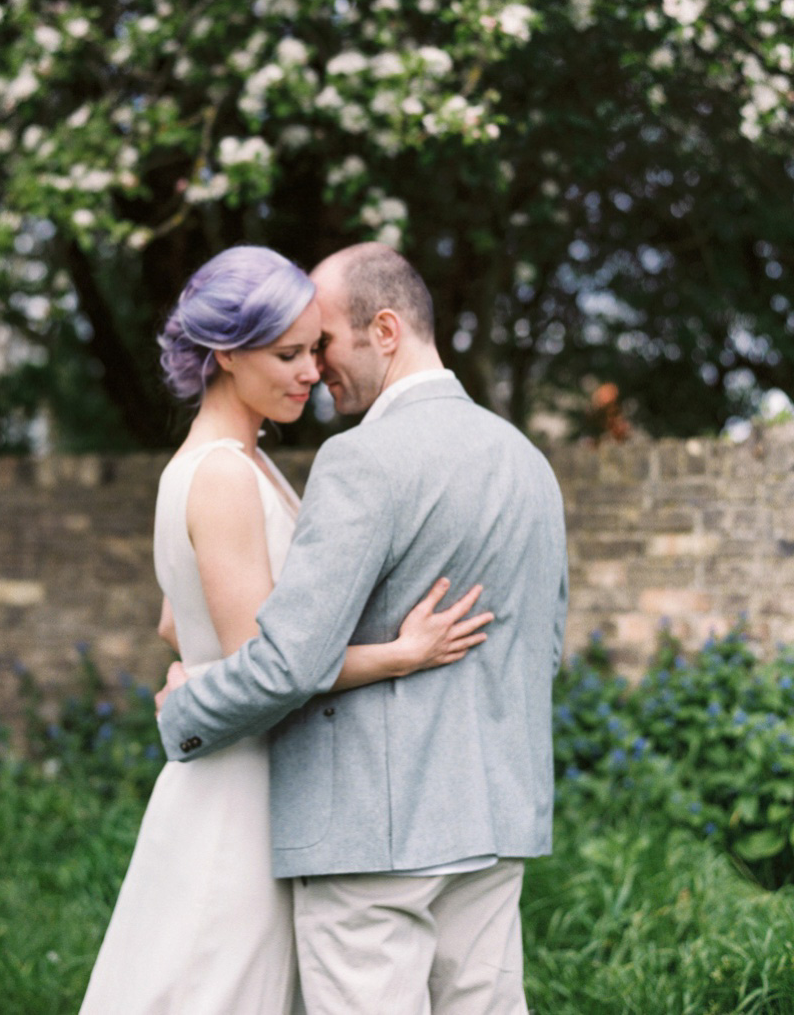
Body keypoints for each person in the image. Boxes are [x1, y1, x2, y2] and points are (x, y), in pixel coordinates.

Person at [78, 245, 493, 1015]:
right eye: (289, 354)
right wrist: (403, 653)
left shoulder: (230, 461)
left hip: (249, 770)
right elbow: (265, 663)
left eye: (315, 350)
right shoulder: (230, 475)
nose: (311, 372)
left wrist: (196, 669)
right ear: (228, 357)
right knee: (222, 985)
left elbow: (176, 619)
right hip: (239, 791)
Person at [158, 241, 569, 1015]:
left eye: (327, 343)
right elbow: (542, 649)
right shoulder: (528, 464)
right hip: (496, 823)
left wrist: (185, 708)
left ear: (385, 331)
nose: (317, 368)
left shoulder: (361, 461)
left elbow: (287, 661)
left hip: (370, 842)